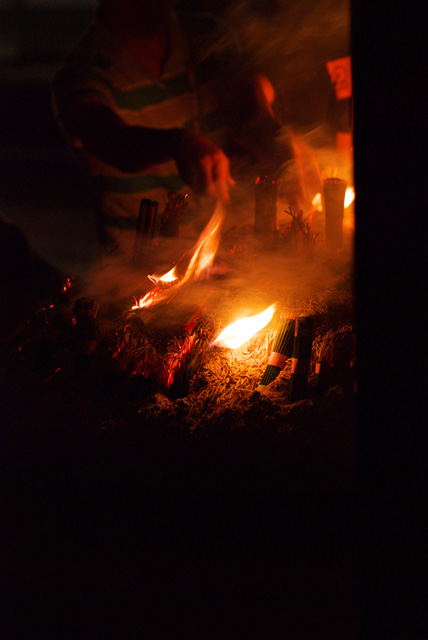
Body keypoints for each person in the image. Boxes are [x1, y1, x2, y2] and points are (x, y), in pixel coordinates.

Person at [52, 0, 321, 258]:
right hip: (141, 276)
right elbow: (112, 140)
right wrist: (178, 143)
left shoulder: (206, 35)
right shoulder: (83, 71)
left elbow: (243, 100)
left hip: (231, 261)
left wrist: (275, 139)